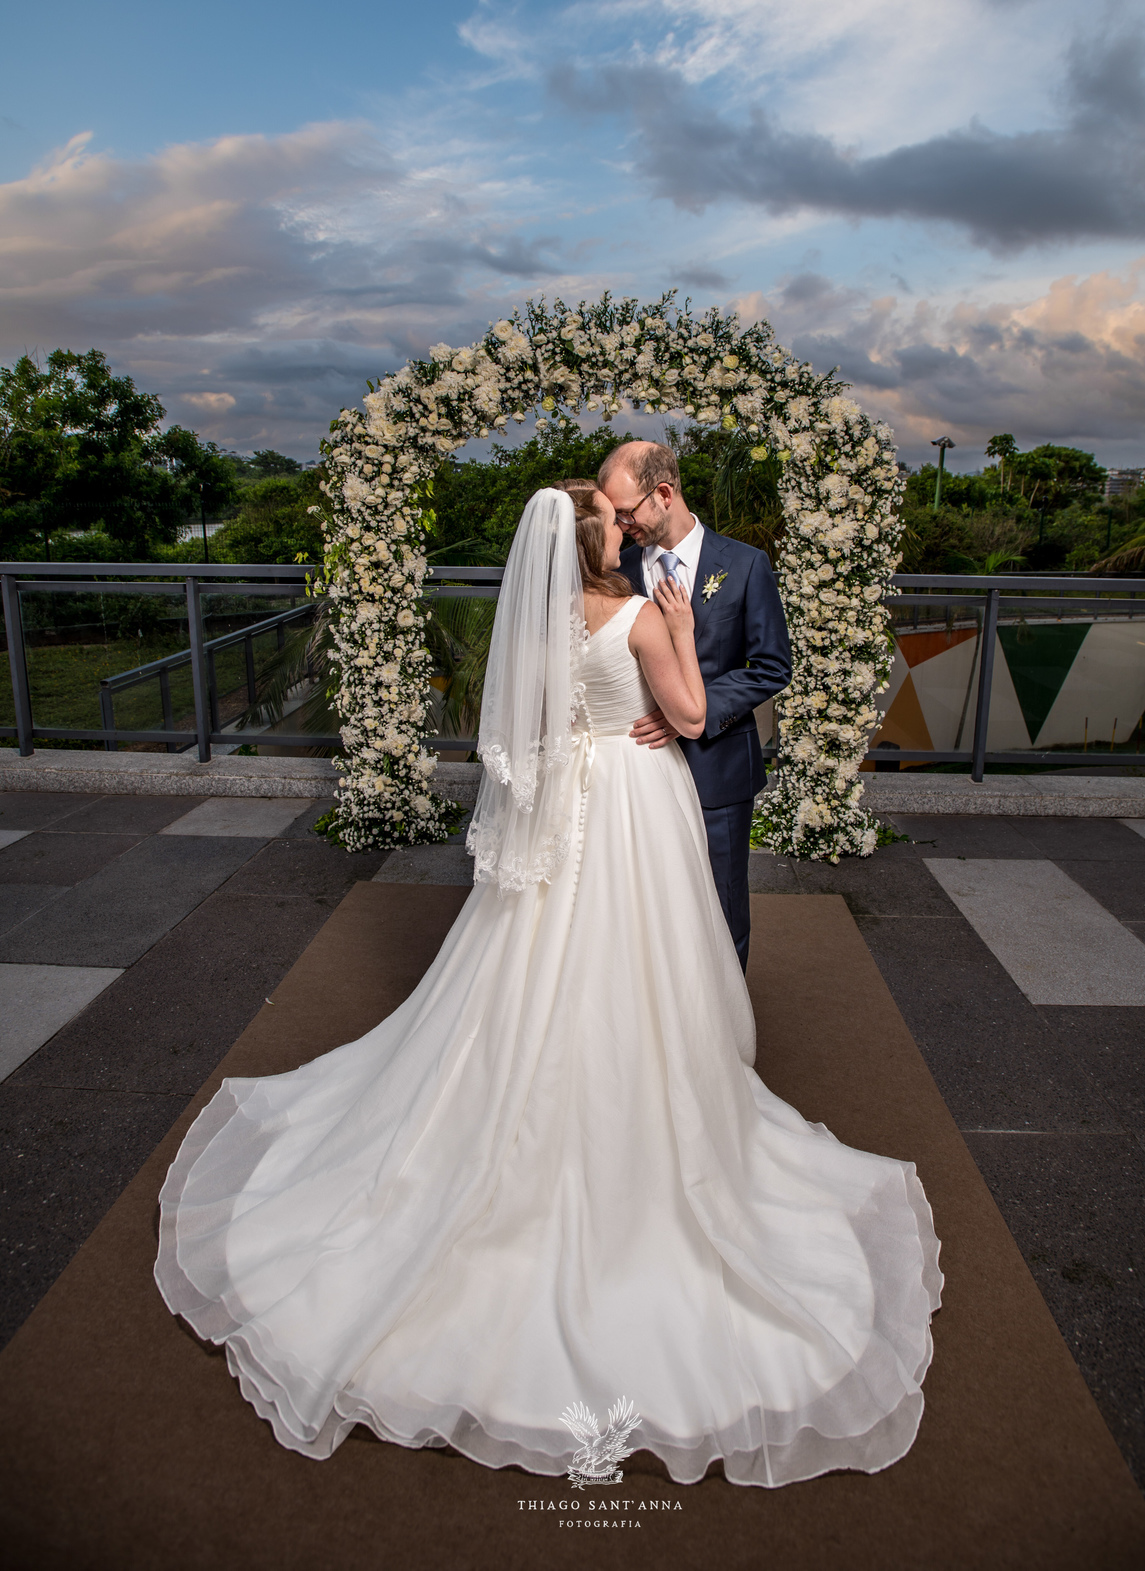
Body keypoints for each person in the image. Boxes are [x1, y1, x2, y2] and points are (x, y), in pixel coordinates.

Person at [155, 483, 941, 1486]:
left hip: (568, 804)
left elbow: (535, 730)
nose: (629, 527)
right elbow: (691, 715)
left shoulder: (539, 620)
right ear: (593, 537)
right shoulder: (640, 616)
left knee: (534, 962)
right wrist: (679, 632)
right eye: (615, 519)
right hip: (634, 806)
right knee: (643, 961)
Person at [597, 441, 790, 972]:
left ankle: (727, 1019)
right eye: (614, 516)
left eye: (626, 512)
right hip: (636, 772)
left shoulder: (746, 565)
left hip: (717, 767)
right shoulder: (614, 571)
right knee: (644, 907)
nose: (621, 526)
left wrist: (688, 715)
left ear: (664, 493)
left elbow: (771, 666)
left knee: (722, 904)